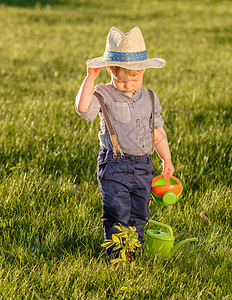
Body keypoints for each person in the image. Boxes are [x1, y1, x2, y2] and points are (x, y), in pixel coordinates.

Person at [75, 26, 175, 257]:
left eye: (134, 79)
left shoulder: (149, 96)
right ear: (110, 70)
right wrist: (90, 77)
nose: (128, 85)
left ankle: (134, 253)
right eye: (120, 81)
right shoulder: (102, 93)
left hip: (144, 166)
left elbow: (157, 132)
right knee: (117, 211)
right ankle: (117, 257)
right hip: (114, 165)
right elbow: (82, 108)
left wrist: (166, 158)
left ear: (143, 71)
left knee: (139, 213)